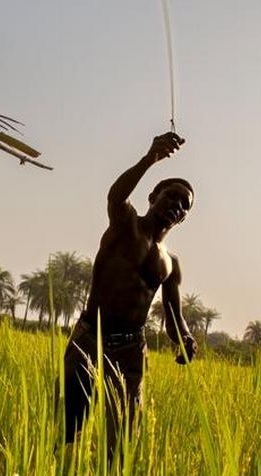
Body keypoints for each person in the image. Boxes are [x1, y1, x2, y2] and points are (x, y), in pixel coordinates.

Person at [62, 131, 197, 450]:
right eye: (172, 196)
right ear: (153, 196)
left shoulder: (169, 264)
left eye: (184, 206)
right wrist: (151, 158)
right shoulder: (125, 224)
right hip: (89, 338)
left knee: (123, 438)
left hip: (131, 351)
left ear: (184, 218)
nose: (177, 205)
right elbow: (115, 196)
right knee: (69, 428)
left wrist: (186, 339)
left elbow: (173, 316)